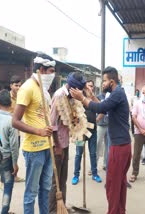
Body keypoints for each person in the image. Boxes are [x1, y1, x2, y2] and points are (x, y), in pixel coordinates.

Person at [70, 66, 131, 214]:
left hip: (119, 147)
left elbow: (100, 107)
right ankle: (120, 211)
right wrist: (91, 96)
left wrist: (83, 98)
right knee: (120, 184)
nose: (102, 83)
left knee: (112, 185)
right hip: (122, 145)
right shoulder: (117, 94)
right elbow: (105, 108)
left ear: (112, 81)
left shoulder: (117, 93)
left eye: (104, 81)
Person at [12, 53, 56, 214]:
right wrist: (39, 131)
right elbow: (15, 121)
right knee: (31, 192)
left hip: (47, 147)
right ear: (42, 70)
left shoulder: (44, 90)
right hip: (33, 149)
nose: (53, 75)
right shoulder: (27, 88)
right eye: (51, 71)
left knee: (45, 188)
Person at [48, 72, 86, 213]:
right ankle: (52, 210)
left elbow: (73, 119)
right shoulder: (59, 96)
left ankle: (61, 207)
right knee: (55, 181)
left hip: (65, 143)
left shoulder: (72, 98)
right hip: (56, 145)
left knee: (63, 179)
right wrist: (57, 146)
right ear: (71, 87)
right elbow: (52, 124)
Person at [0, 75, 24, 183]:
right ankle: (3, 175)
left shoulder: (21, 97)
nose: (18, 88)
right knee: (4, 154)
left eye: (20, 85)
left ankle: (14, 175)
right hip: (5, 132)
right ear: (11, 86)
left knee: (15, 152)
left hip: (16, 132)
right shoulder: (5, 98)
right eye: (16, 85)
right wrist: (8, 116)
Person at [72, 80, 102, 185]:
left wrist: (97, 120)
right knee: (78, 154)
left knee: (93, 153)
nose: (90, 88)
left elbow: (102, 108)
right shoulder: (79, 97)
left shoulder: (93, 99)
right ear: (84, 87)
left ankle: (95, 173)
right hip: (80, 133)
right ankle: (76, 175)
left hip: (92, 132)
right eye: (88, 86)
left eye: (92, 86)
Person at [96, 91, 109, 170]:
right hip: (100, 125)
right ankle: (94, 166)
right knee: (97, 145)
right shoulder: (98, 97)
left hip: (109, 125)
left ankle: (106, 164)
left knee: (108, 147)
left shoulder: (111, 96)